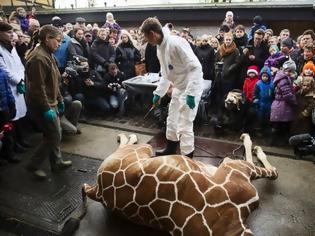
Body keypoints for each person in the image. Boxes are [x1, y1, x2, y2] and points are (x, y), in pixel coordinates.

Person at [140, 17, 204, 158]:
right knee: (172, 118)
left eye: (146, 37)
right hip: (178, 87)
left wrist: (191, 94)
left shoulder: (177, 43)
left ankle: (187, 157)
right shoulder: (160, 48)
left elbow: (196, 68)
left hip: (190, 87)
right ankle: (171, 148)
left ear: (153, 34)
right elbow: (165, 74)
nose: (146, 41)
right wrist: (159, 93)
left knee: (184, 124)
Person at [25, 25, 72, 180]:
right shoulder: (39, 57)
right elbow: (37, 88)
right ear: (47, 39)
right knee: (53, 135)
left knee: (54, 133)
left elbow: (54, 80)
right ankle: (32, 165)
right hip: (41, 103)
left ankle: (56, 162)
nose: (59, 44)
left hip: (50, 101)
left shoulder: (48, 54)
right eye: (57, 41)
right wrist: (46, 108)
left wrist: (59, 99)